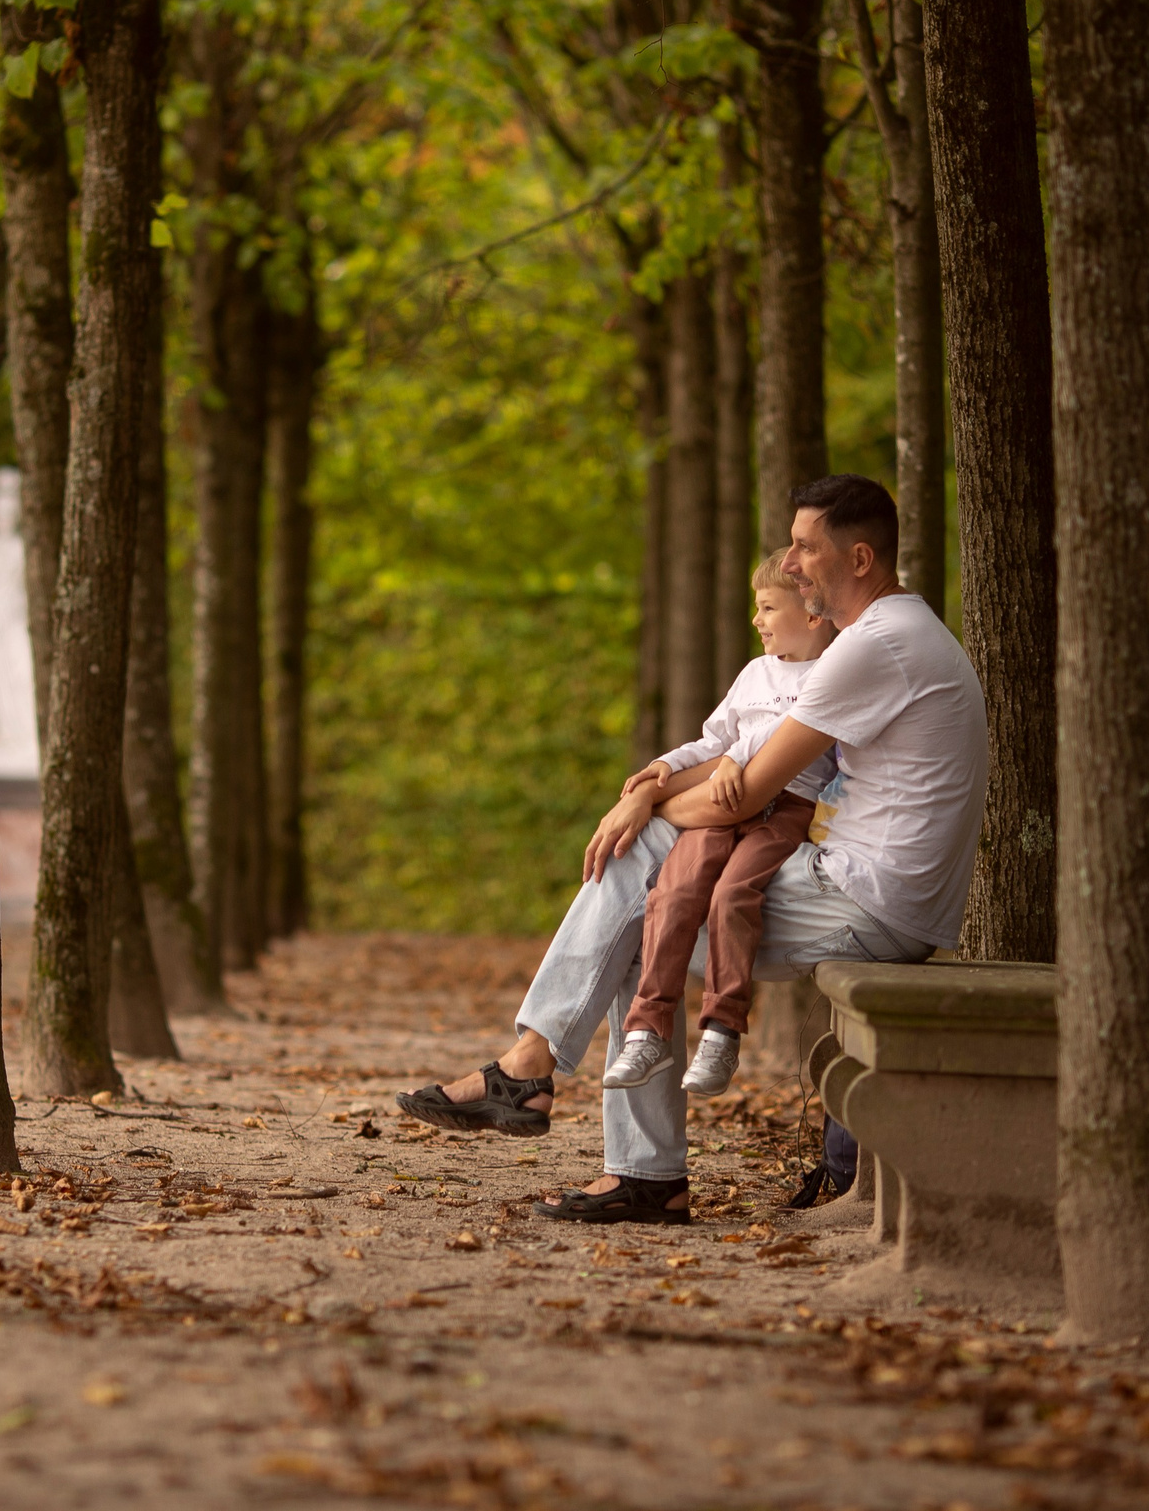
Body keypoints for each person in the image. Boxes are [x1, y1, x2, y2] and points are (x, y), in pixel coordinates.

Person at [392, 474, 987, 1223]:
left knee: (640, 888)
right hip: (876, 891)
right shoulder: (895, 632)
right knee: (639, 918)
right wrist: (653, 791)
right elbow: (730, 761)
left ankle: (545, 1078)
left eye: (806, 548)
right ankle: (606, 1139)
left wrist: (645, 802)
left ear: (860, 558)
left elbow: (746, 794)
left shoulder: (873, 646)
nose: (792, 564)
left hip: (868, 900)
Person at [602, 554, 837, 1101]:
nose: (757, 619)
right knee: (675, 891)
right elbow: (713, 740)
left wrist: (737, 757)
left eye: (768, 608)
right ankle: (648, 1028)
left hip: (786, 809)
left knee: (732, 896)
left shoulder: (832, 672)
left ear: (811, 615)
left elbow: (788, 731)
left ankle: (722, 1031)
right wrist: (665, 769)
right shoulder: (755, 673)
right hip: (718, 802)